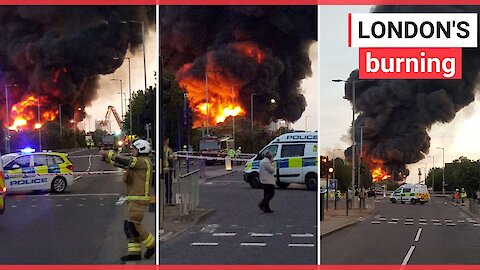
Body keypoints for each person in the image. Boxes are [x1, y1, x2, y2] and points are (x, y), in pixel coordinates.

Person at [99, 139, 155, 262]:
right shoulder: (138, 162)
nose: (132, 151)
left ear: (141, 150)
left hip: (139, 198)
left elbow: (126, 161)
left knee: (134, 225)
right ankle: (134, 253)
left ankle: (152, 245)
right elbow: (123, 164)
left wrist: (107, 153)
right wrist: (107, 160)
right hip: (133, 198)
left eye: (134, 149)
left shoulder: (142, 161)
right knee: (128, 226)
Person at [163, 137, 175, 206]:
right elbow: (171, 159)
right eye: (167, 141)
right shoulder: (168, 150)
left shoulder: (159, 149)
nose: (168, 142)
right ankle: (168, 201)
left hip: (161, 170)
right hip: (167, 170)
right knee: (168, 186)